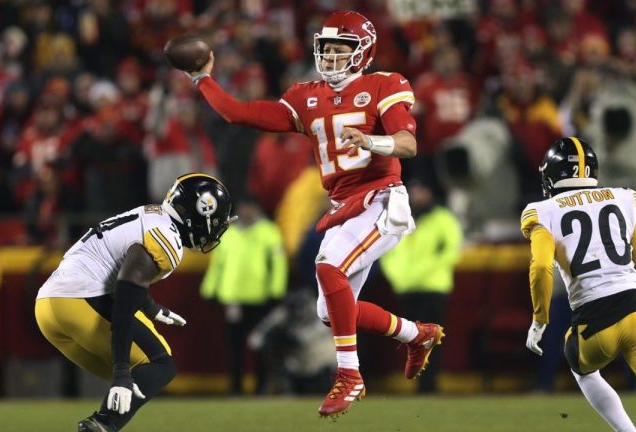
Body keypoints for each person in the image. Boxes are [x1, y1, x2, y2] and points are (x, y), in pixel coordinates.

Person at [183, 10, 444, 417]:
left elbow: (407, 144)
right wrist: (203, 79)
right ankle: (416, 334)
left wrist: (371, 143)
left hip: (381, 198)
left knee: (328, 268)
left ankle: (350, 376)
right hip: (345, 208)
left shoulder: (384, 84)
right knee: (330, 311)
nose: (332, 57)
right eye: (327, 49)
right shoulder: (306, 96)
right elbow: (238, 113)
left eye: (342, 49)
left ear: (363, 52)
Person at [521, 137, 636, 432]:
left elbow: (541, 267)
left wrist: (540, 320)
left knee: (582, 369)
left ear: (552, 174)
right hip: (634, 311)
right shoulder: (625, 198)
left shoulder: (542, 211)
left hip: (592, 323)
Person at [34, 173, 236, 432]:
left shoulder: (153, 215)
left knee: (143, 377)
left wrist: (152, 308)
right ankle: (102, 426)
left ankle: (102, 423)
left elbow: (123, 278)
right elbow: (125, 294)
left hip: (48, 307)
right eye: (217, 221)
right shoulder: (167, 239)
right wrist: (120, 371)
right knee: (158, 366)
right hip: (78, 299)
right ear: (200, 215)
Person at [379, 178, 463, 393]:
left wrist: (423, 271)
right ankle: (420, 385)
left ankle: (428, 386)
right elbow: (386, 251)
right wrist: (398, 276)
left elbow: (451, 251)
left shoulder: (443, 219)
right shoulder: (401, 219)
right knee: (413, 343)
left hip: (433, 288)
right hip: (406, 288)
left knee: (430, 341)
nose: (417, 195)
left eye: (420, 190)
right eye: (413, 191)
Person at [200, 196, 288, 394]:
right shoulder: (228, 234)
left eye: (249, 207)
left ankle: (261, 386)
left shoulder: (269, 232)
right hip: (233, 298)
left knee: (260, 345)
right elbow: (217, 265)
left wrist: (276, 291)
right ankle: (236, 387)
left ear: (256, 210)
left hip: (259, 298)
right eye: (243, 208)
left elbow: (278, 264)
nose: (245, 212)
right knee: (235, 347)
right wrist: (209, 289)